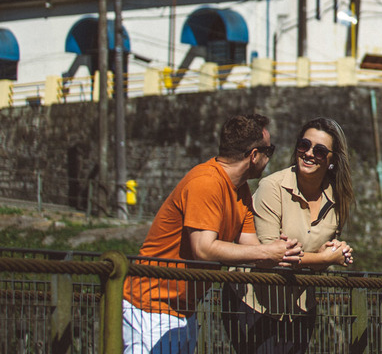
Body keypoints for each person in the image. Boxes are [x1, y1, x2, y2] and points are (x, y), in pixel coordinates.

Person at [123, 113, 302, 354]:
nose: (269, 159)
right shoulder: (206, 182)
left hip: (182, 308)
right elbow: (204, 248)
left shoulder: (241, 191)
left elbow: (252, 246)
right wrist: (267, 251)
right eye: (269, 151)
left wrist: (282, 252)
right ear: (254, 155)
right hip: (150, 306)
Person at [221, 117, 356, 354]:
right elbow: (269, 256)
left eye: (320, 150)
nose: (309, 153)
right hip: (253, 304)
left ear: (332, 160)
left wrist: (336, 252)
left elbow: (314, 258)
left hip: (300, 309)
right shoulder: (271, 187)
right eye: (304, 145)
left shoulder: (337, 200)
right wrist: (325, 258)